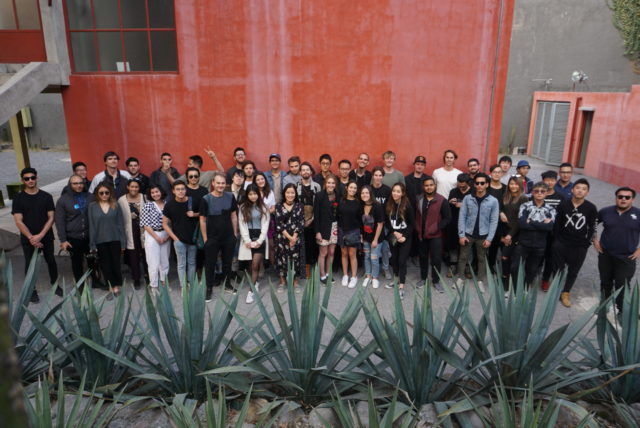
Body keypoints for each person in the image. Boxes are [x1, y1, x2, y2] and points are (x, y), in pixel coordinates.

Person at [13, 167, 59, 302]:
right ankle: (31, 290)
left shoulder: (46, 196)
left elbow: (51, 218)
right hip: (28, 239)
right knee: (30, 265)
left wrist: (40, 235)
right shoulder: (18, 198)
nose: (30, 180)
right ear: (22, 180)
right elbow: (18, 221)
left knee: (51, 261)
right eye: (27, 179)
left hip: (46, 237)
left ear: (36, 178)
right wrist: (31, 238)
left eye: (32, 177)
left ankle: (55, 285)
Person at [551, 178, 597, 307]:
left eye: (584, 189)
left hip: (579, 246)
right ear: (572, 190)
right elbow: (557, 224)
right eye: (578, 188)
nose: (580, 191)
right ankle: (555, 290)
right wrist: (557, 240)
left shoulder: (591, 208)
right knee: (558, 269)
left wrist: (586, 243)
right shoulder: (563, 204)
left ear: (587, 192)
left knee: (573, 271)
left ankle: (565, 292)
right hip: (561, 243)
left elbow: (592, 226)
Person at [594, 187, 640, 317]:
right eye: (620, 197)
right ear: (616, 198)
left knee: (623, 285)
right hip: (605, 255)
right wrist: (594, 240)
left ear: (632, 199)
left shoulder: (638, 214)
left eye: (627, 197)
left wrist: (639, 250)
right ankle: (604, 307)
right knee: (605, 282)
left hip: (626, 258)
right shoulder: (605, 211)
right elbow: (592, 223)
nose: (623, 199)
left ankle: (622, 310)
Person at [456, 173, 499, 292]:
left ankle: (480, 280)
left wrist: (489, 238)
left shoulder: (493, 201)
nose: (479, 185)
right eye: (477, 183)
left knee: (481, 258)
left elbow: (494, 221)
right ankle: (460, 278)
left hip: (483, 235)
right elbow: (462, 217)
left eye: (482, 183)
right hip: (468, 234)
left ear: (487, 184)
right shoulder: (467, 198)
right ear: (474, 184)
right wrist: (461, 235)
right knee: (463, 257)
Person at [200, 172, 239, 301]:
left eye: (223, 183)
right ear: (213, 183)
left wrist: (234, 233)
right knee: (210, 264)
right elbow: (202, 220)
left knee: (227, 263)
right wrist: (205, 239)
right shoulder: (206, 199)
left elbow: (234, 216)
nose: (221, 185)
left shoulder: (230, 196)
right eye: (218, 183)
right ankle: (208, 288)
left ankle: (227, 284)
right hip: (212, 237)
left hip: (228, 236)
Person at [510, 182, 556, 288]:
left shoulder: (551, 209)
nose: (539, 193)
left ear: (547, 193)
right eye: (536, 191)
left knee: (532, 270)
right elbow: (522, 224)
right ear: (532, 192)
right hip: (523, 243)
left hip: (539, 245)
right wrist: (541, 224)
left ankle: (526, 289)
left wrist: (530, 222)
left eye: (542, 191)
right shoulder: (525, 206)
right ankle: (515, 288)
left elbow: (549, 227)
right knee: (514, 267)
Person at [56, 175, 96, 288]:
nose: (78, 185)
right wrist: (63, 240)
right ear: (70, 184)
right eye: (75, 183)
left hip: (89, 236)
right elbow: (59, 221)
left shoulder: (91, 197)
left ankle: (95, 281)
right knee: (77, 263)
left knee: (92, 260)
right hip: (74, 237)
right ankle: (80, 285)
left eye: (80, 183)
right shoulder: (63, 200)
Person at [88, 183, 126, 297]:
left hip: (115, 239)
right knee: (105, 265)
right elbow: (92, 225)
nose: (104, 195)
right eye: (101, 193)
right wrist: (92, 244)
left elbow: (120, 224)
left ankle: (117, 286)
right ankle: (111, 287)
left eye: (106, 192)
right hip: (100, 240)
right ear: (97, 194)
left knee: (116, 264)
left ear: (110, 193)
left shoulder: (115, 205)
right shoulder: (92, 206)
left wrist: (123, 242)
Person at [415, 177, 451, 293]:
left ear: (435, 186)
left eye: (431, 185)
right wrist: (417, 228)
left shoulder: (441, 200)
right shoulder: (419, 199)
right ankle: (423, 278)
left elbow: (448, 218)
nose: (429, 187)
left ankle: (436, 281)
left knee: (436, 259)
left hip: (436, 235)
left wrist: (436, 227)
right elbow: (417, 216)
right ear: (423, 187)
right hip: (422, 235)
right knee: (423, 257)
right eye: (426, 185)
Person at [238, 184, 270, 304]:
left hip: (260, 238)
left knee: (256, 264)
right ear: (247, 195)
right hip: (247, 238)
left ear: (259, 194)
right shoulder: (242, 208)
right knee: (250, 264)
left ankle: (251, 291)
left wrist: (259, 241)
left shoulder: (264, 208)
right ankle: (255, 282)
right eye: (250, 194)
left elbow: (265, 225)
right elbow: (242, 225)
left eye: (255, 194)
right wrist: (247, 240)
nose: (253, 196)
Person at [163, 180, 199, 288]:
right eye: (178, 189)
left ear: (186, 190)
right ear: (173, 191)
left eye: (182, 189)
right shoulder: (169, 205)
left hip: (192, 238)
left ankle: (191, 285)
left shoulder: (193, 201)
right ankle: (184, 287)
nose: (180, 191)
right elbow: (165, 224)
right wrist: (175, 238)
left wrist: (194, 214)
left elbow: (203, 215)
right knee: (181, 264)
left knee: (192, 263)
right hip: (179, 240)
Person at [384, 183, 414, 300]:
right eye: (394, 191)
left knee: (402, 261)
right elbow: (387, 222)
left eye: (398, 191)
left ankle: (402, 286)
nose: (395, 193)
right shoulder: (389, 205)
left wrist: (404, 236)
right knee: (395, 259)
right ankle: (396, 280)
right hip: (394, 236)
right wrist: (394, 232)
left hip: (405, 237)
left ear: (402, 193)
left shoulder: (407, 206)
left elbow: (412, 224)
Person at [498, 176, 528, 289]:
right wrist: (501, 213)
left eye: (516, 184)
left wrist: (510, 235)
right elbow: (499, 208)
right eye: (511, 184)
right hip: (504, 230)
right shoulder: (505, 196)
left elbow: (521, 220)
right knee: (504, 257)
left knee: (508, 257)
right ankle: (505, 277)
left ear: (520, 185)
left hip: (516, 232)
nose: (513, 186)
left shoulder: (523, 198)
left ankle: (511, 281)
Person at [274, 183, 305, 291]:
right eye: (288, 192)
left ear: (295, 194)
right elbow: (279, 224)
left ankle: (295, 283)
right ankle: (282, 282)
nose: (290, 195)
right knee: (282, 260)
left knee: (296, 260)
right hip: (282, 238)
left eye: (292, 192)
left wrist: (294, 237)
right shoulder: (278, 206)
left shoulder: (299, 206)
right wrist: (289, 237)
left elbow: (301, 222)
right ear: (284, 193)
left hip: (296, 238)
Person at [118, 179, 148, 289]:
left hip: (144, 230)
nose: (134, 189)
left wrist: (141, 212)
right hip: (130, 230)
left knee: (146, 254)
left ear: (139, 188)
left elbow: (150, 213)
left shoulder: (144, 197)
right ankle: (136, 278)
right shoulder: (121, 200)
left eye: (136, 187)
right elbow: (120, 216)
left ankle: (148, 276)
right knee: (133, 256)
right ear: (128, 187)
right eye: (132, 186)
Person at [141, 185, 171, 290]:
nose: (155, 194)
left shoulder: (168, 205)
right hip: (152, 235)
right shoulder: (147, 206)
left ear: (161, 192)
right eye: (152, 193)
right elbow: (146, 225)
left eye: (157, 191)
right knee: (153, 262)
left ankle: (164, 283)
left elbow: (171, 222)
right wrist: (157, 238)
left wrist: (167, 236)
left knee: (165, 261)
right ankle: (154, 286)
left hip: (166, 234)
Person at [539, 170, 565, 290]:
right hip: (539, 232)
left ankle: (545, 279)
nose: (550, 182)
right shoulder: (538, 195)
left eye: (553, 180)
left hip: (553, 234)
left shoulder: (560, 198)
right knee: (537, 256)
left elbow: (562, 216)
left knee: (550, 258)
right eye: (547, 179)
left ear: (556, 181)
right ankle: (532, 276)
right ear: (542, 180)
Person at [297, 162, 321, 278]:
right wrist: (301, 220)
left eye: (307, 170)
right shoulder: (296, 186)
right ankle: (305, 269)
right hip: (300, 221)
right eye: (303, 170)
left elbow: (318, 205)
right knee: (303, 245)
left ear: (311, 172)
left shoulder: (316, 186)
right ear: (300, 172)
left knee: (313, 245)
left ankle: (314, 269)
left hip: (313, 220)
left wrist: (311, 219)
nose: (305, 172)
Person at [445, 173, 472, 277]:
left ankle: (467, 267)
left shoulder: (473, 192)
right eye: (459, 184)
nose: (461, 186)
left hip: (468, 224)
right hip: (454, 222)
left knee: (467, 246)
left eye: (463, 185)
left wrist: (463, 205)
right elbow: (448, 205)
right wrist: (450, 202)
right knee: (453, 246)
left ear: (468, 183)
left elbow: (477, 207)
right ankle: (453, 265)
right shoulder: (453, 191)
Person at [314, 174, 339, 284]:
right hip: (323, 227)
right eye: (329, 182)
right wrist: (317, 231)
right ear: (325, 184)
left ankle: (328, 273)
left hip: (334, 227)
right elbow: (316, 214)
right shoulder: (319, 196)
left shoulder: (338, 195)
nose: (331, 185)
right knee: (323, 253)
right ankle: (322, 275)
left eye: (333, 183)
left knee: (332, 252)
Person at [358, 185, 384, 289]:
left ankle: (375, 278)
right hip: (365, 237)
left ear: (370, 194)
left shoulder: (377, 206)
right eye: (362, 193)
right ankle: (368, 276)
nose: (364, 195)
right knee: (367, 257)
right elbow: (360, 223)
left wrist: (375, 240)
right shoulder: (361, 206)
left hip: (376, 238)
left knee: (374, 258)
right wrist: (361, 236)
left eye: (366, 193)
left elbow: (380, 224)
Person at [338, 181, 362, 288]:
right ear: (347, 188)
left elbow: (360, 219)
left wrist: (361, 234)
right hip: (342, 229)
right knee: (344, 254)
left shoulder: (358, 202)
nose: (352, 190)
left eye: (355, 188)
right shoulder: (341, 200)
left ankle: (353, 276)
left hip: (353, 231)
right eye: (351, 187)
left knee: (352, 254)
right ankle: (345, 275)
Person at [370, 166, 392, 280]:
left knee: (384, 247)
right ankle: (371, 270)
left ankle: (386, 268)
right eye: (376, 175)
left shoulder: (387, 190)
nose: (378, 177)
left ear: (382, 177)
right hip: (370, 224)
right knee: (372, 247)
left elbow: (390, 207)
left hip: (383, 224)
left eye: (380, 175)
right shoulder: (368, 189)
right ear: (373, 176)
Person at [486, 164, 507, 272]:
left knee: (495, 244)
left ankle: (491, 265)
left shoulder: (505, 188)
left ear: (502, 174)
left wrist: (502, 213)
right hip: (486, 219)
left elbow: (507, 204)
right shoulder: (486, 187)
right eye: (494, 172)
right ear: (490, 173)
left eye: (499, 172)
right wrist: (499, 212)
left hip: (500, 222)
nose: (497, 174)